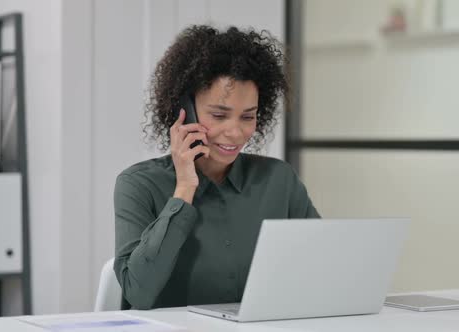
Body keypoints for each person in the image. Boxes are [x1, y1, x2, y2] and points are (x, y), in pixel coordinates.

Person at [113, 25, 320, 310]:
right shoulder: (139, 185)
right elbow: (138, 293)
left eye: (248, 116)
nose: (235, 133)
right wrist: (184, 189)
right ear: (184, 110)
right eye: (219, 115)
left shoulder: (278, 180)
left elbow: (323, 267)